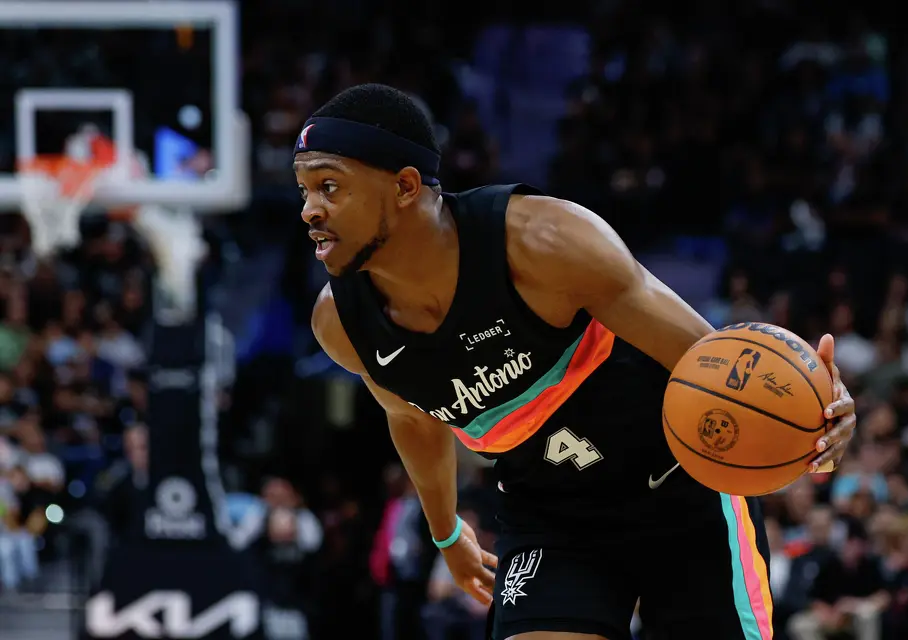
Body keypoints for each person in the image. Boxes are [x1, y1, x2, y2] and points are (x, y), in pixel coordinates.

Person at [298, 83, 858, 640]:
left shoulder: (543, 241)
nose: (309, 210)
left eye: (329, 187)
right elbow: (413, 419)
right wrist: (447, 535)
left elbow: (715, 360)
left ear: (404, 185)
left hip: (681, 483)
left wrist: (816, 418)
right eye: (305, 190)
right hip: (551, 515)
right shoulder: (341, 324)